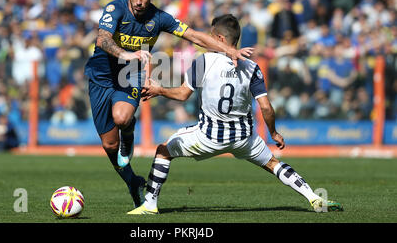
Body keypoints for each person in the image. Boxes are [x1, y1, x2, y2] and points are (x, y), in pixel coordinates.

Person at [128, 14, 343, 214]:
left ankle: (150, 204)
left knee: (164, 150)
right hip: (244, 139)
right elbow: (266, 107)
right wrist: (274, 133)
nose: (208, 42)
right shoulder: (251, 66)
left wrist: (160, 90)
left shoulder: (204, 61)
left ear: (220, 38)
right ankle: (314, 198)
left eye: (211, 37)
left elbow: (183, 95)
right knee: (273, 164)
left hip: (209, 137)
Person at [84, 0, 253, 208]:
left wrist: (230, 50)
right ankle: (132, 181)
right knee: (109, 145)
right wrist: (126, 53)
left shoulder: (160, 18)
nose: (139, 1)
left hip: (128, 75)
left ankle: (129, 132)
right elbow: (102, 39)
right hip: (100, 77)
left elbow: (194, 36)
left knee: (121, 119)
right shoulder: (115, 9)